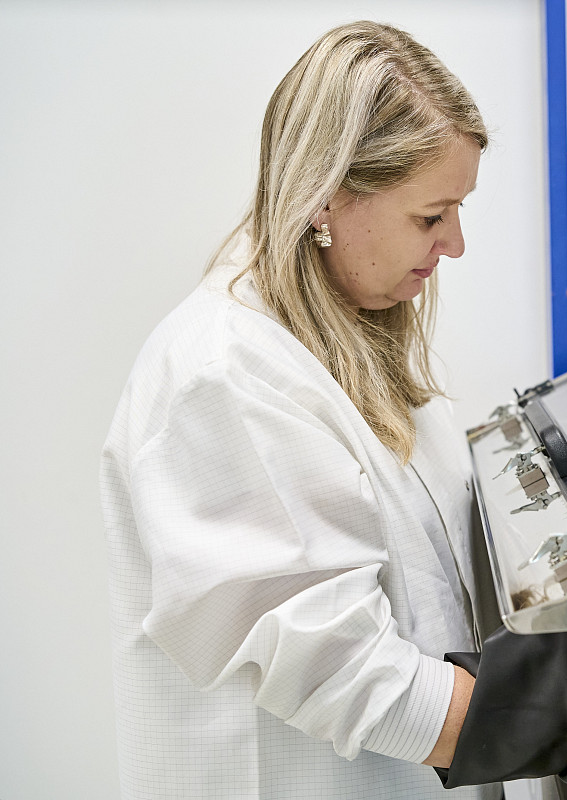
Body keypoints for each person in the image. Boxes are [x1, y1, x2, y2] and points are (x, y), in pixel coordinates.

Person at [100, 21, 499, 799]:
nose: (454, 243)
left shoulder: (352, 335)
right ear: (329, 199)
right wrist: (562, 721)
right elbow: (341, 669)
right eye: (430, 216)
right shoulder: (225, 377)